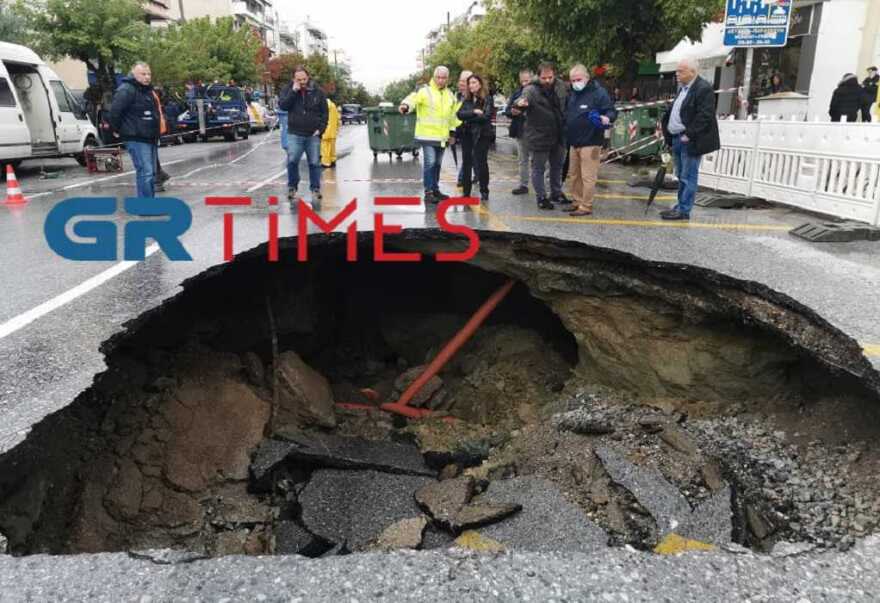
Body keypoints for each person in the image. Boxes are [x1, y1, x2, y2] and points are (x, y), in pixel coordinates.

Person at [659, 57, 721, 221]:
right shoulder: (684, 88)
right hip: (678, 138)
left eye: (681, 71)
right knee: (681, 175)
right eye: (677, 70)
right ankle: (680, 206)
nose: (677, 74)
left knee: (688, 176)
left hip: (690, 140)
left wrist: (689, 134)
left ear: (692, 72)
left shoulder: (703, 88)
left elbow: (705, 115)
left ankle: (684, 210)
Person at [511, 61, 569, 210]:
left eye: (550, 77)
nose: (548, 80)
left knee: (557, 166)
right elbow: (522, 99)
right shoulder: (531, 89)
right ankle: (541, 198)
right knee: (538, 168)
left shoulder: (561, 86)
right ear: (538, 76)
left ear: (554, 74)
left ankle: (556, 193)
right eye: (544, 78)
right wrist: (520, 103)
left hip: (559, 134)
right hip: (539, 135)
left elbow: (567, 104)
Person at [399, 66, 459, 204]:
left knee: (437, 164)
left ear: (447, 79)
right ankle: (428, 192)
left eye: (443, 78)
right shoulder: (425, 91)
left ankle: (435, 189)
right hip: (427, 136)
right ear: (434, 76)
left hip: (442, 137)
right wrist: (405, 106)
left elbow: (452, 116)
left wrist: (452, 132)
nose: (440, 80)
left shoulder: (450, 95)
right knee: (430, 163)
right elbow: (412, 99)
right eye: (438, 77)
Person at [564, 64, 617, 217]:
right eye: (572, 80)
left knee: (588, 177)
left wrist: (607, 117)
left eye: (578, 79)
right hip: (574, 142)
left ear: (587, 78)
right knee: (574, 175)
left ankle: (586, 206)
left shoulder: (598, 93)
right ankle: (576, 201)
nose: (575, 83)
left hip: (591, 141)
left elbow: (611, 110)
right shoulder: (573, 93)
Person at [109, 62, 162, 198]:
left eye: (149, 74)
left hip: (149, 137)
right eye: (143, 74)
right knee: (146, 171)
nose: (147, 77)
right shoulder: (126, 90)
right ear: (134, 74)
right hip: (136, 137)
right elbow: (115, 112)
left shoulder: (148, 91)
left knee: (149, 172)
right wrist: (116, 129)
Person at [278, 66, 328, 207]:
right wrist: (294, 91)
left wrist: (321, 129)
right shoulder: (288, 90)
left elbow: (325, 112)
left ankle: (315, 188)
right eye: (299, 80)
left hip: (313, 134)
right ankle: (292, 187)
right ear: (294, 79)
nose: (302, 82)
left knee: (314, 163)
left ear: (308, 77)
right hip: (295, 133)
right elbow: (283, 106)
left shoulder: (318, 92)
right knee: (292, 160)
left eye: (304, 79)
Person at [456, 74, 494, 201]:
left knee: (481, 162)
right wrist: (474, 112)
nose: (471, 85)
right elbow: (459, 114)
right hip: (467, 134)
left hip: (482, 134)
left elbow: (486, 116)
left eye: (474, 82)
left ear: (480, 84)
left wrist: (470, 117)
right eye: (470, 83)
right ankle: (466, 193)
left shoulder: (487, 99)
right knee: (467, 163)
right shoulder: (467, 100)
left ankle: (484, 191)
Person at [505, 69, 533, 195]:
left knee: (539, 160)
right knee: (523, 160)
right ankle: (523, 185)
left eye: (527, 81)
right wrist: (512, 112)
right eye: (522, 81)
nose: (524, 83)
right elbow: (507, 110)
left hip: (536, 131)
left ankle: (543, 186)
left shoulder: (539, 93)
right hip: (521, 130)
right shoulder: (517, 93)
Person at [454, 70, 475, 190]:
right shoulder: (456, 96)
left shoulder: (474, 96)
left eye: (464, 81)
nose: (461, 83)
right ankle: (463, 178)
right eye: (460, 80)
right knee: (468, 156)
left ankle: (464, 178)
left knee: (472, 156)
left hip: (472, 130)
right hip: (460, 130)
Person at [321, 98, 341, 168]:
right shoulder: (333, 106)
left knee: (325, 148)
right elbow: (338, 119)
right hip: (333, 131)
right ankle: (333, 160)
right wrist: (337, 128)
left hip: (325, 131)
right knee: (332, 148)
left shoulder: (322, 107)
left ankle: (326, 163)